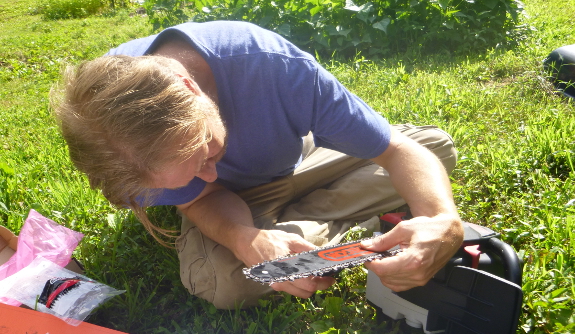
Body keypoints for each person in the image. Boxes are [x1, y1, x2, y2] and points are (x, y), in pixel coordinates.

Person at [52, 21, 464, 309]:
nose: (213, 172)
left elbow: (395, 150)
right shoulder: (120, 152)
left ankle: (299, 238)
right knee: (221, 282)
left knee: (432, 147)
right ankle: (314, 234)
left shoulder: (275, 68)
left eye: (206, 152)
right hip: (233, 207)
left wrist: (445, 221)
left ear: (188, 86)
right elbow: (205, 196)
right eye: (189, 173)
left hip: (295, 162)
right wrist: (244, 239)